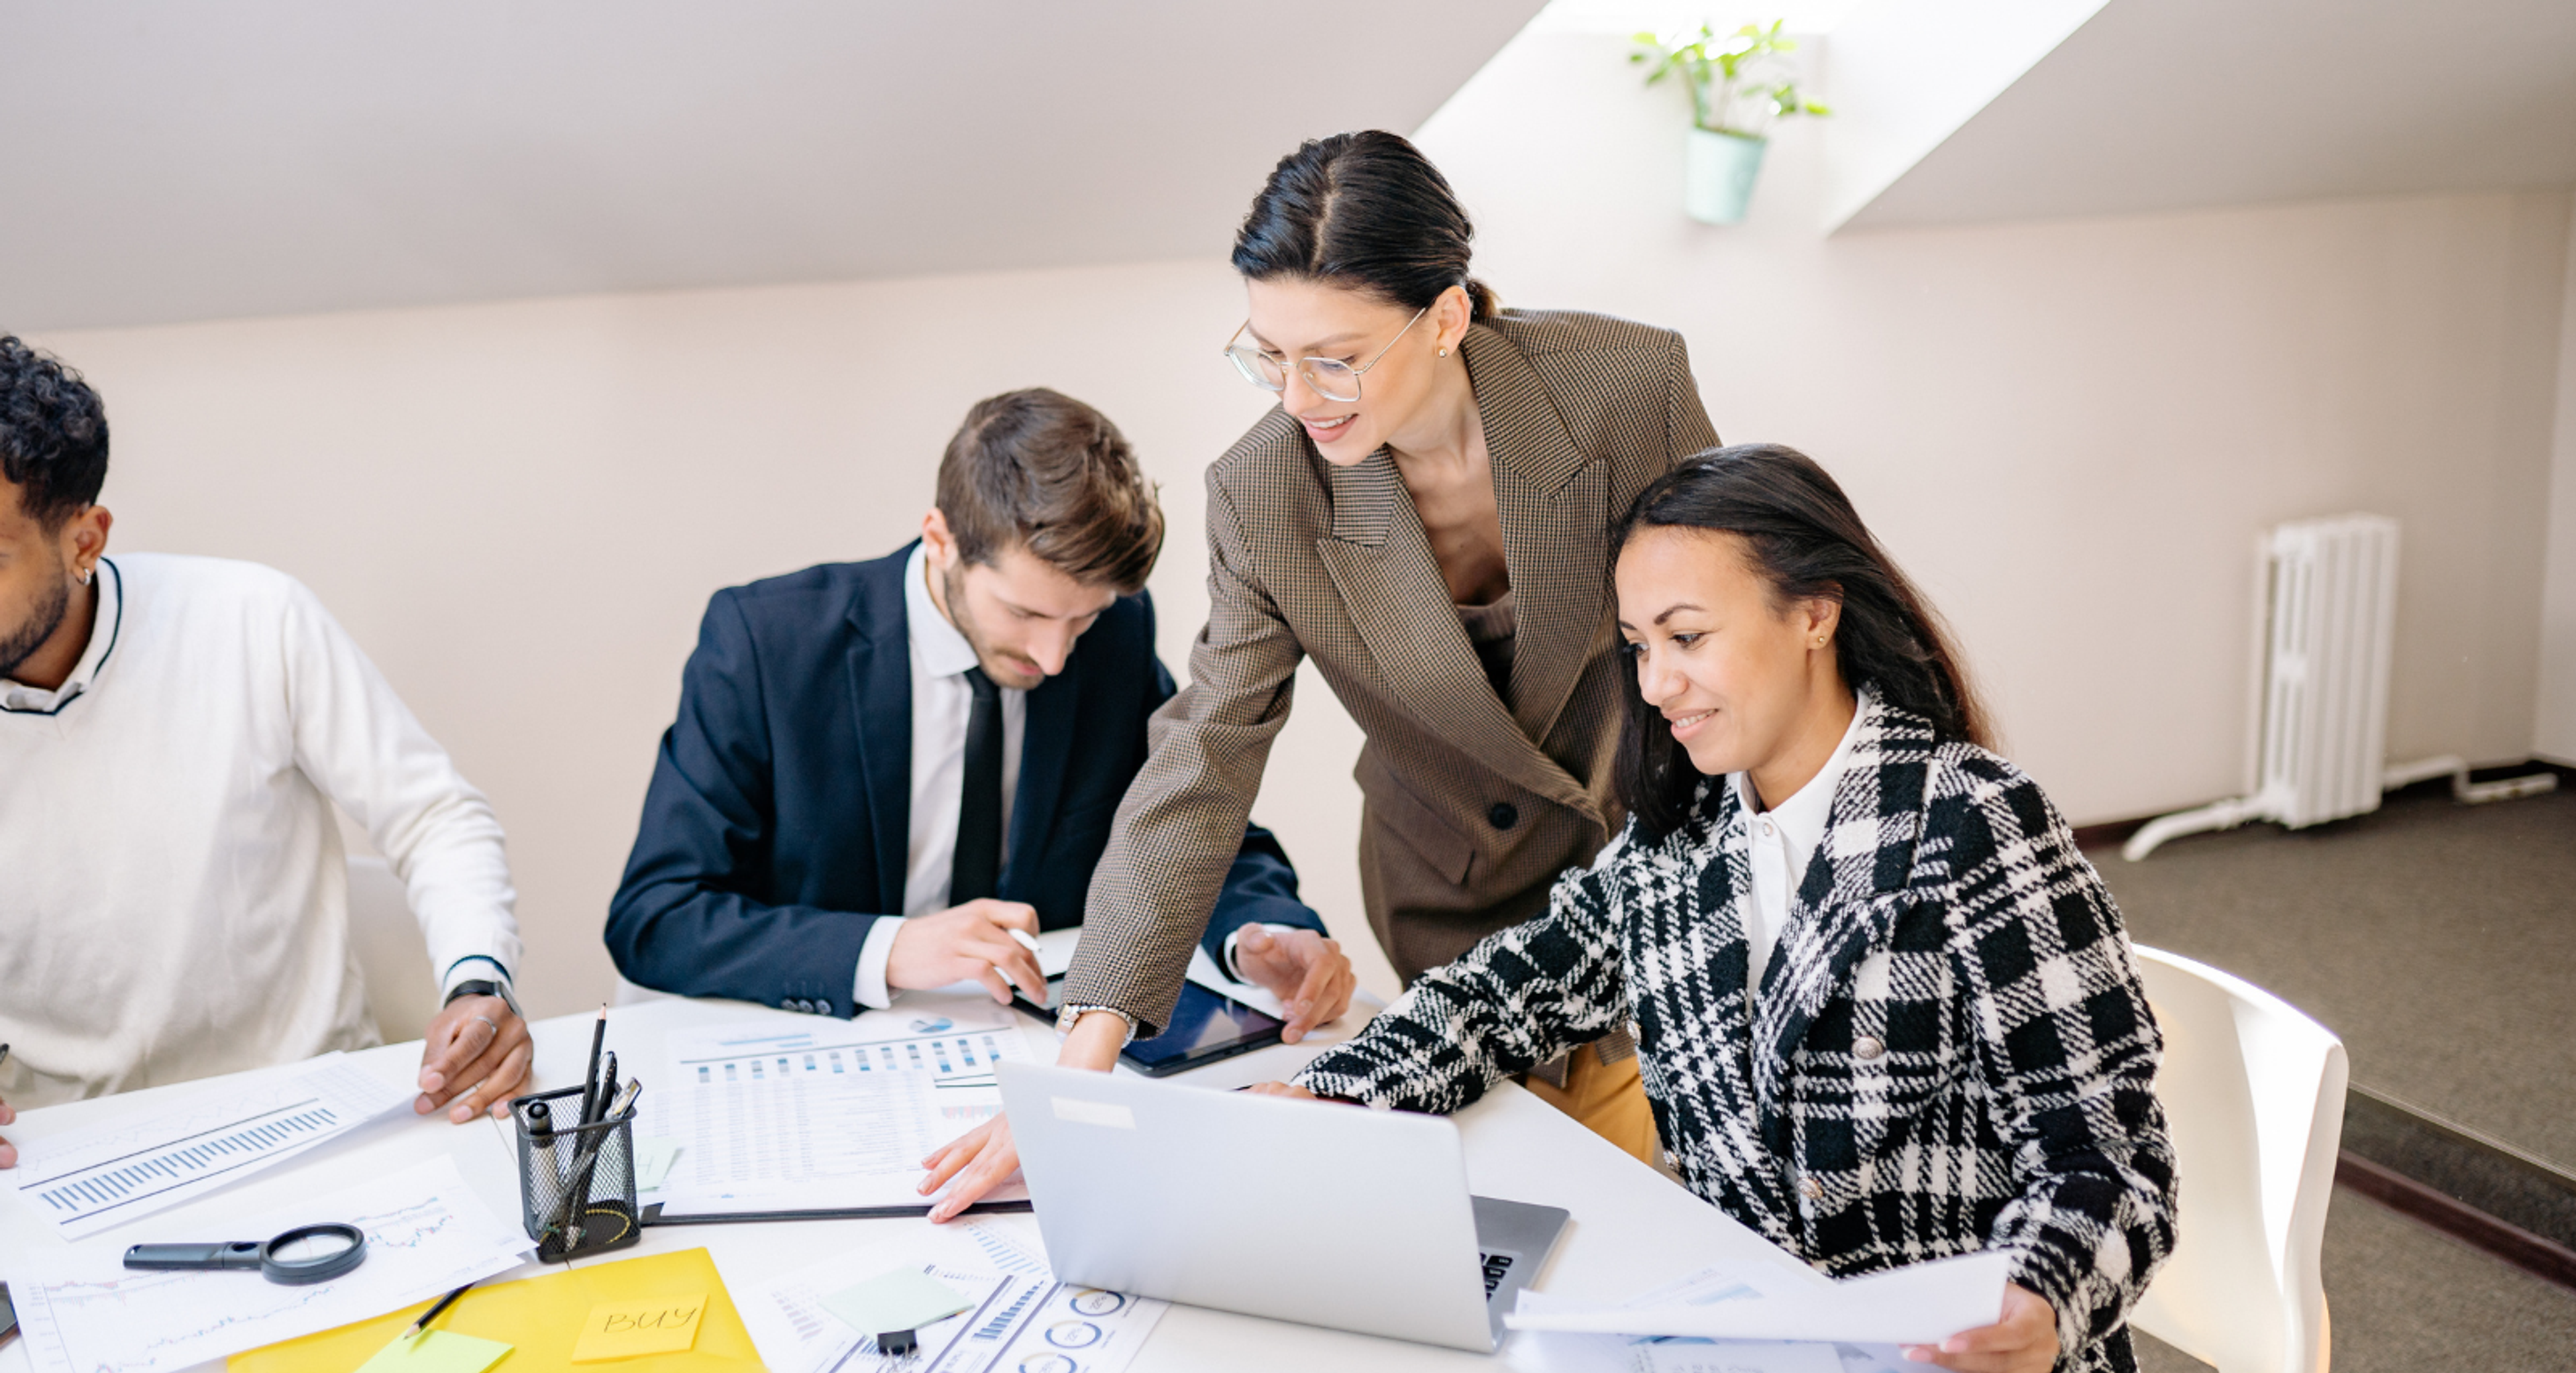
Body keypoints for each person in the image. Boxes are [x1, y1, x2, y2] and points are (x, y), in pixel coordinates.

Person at [922, 129, 1718, 1217]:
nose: (1297, 396)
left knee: (1690, 1208)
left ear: (1446, 318)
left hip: (1659, 854)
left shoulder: (1626, 388)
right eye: (1267, 353)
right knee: (1518, 1226)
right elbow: (1202, 765)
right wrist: (1075, 1078)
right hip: (1457, 897)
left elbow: (1728, 625)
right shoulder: (1265, 493)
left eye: (1334, 356)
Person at [1249, 446, 2178, 1373]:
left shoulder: (1974, 822)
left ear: (1816, 611)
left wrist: (2040, 1296)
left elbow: (2109, 1154)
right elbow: (1502, 994)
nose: (1655, 684)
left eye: (1687, 636)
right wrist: (1331, 1090)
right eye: (1640, 645)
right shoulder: (1679, 838)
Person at [605, 388, 1346, 1032]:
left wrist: (1266, 931)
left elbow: (1194, 825)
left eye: (1081, 620)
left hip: (1021, 1046)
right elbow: (656, 917)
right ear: (942, 538)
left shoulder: (1113, 638)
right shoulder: (768, 644)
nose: (1054, 658)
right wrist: (890, 947)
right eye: (1024, 612)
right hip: (817, 1042)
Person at [0, 337, 532, 1168]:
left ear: (85, 539)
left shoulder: (252, 619)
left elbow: (435, 815)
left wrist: (478, 981)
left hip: (312, 1120)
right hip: (62, 1150)